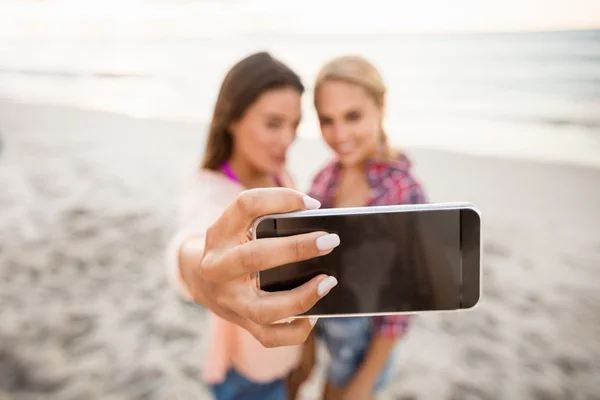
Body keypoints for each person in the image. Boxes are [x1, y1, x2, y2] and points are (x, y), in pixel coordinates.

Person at [165, 51, 340, 400]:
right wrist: (198, 267)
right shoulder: (210, 190)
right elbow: (192, 245)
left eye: (293, 125)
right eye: (273, 123)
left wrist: (306, 352)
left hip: (288, 357)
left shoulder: (280, 176)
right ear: (232, 117)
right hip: (245, 374)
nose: (287, 138)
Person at [307, 55, 428, 399]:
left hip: (367, 348)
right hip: (328, 332)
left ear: (380, 106)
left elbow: (403, 302)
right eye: (327, 120)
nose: (340, 134)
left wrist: (364, 381)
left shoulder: (403, 191)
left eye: (353, 116)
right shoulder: (325, 178)